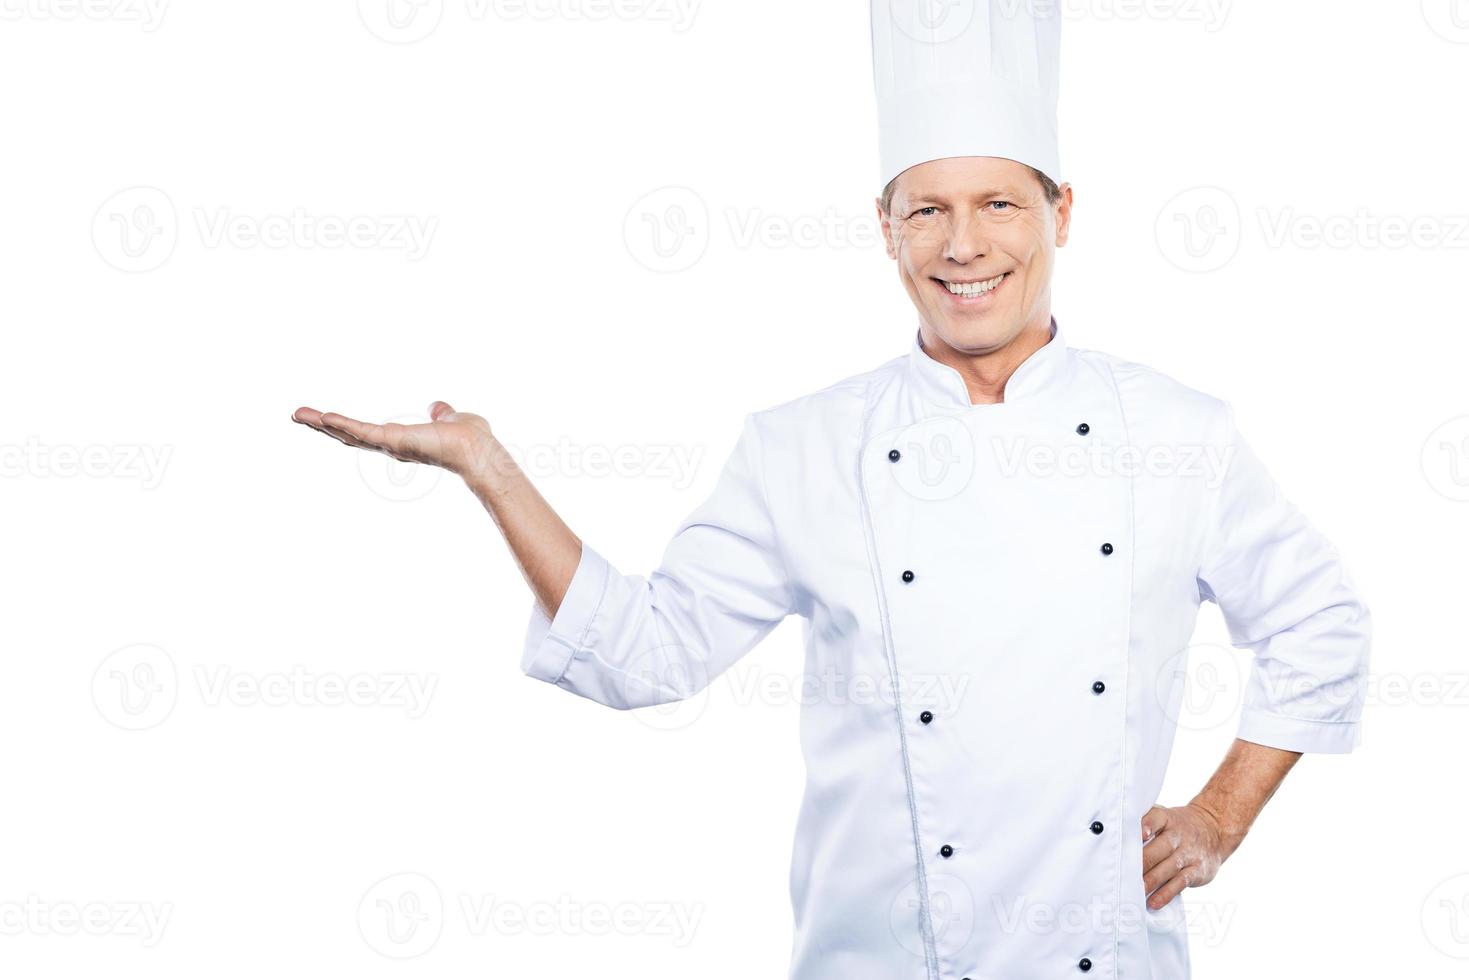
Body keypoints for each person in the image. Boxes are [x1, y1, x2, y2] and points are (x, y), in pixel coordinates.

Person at [293, 3, 1370, 977]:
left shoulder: (1175, 433)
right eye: (925, 210)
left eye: (998, 202)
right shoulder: (799, 447)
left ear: (1062, 212)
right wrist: (492, 469)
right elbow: (643, 653)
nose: (962, 246)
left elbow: (1318, 621)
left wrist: (1221, 812)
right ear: (883, 223)